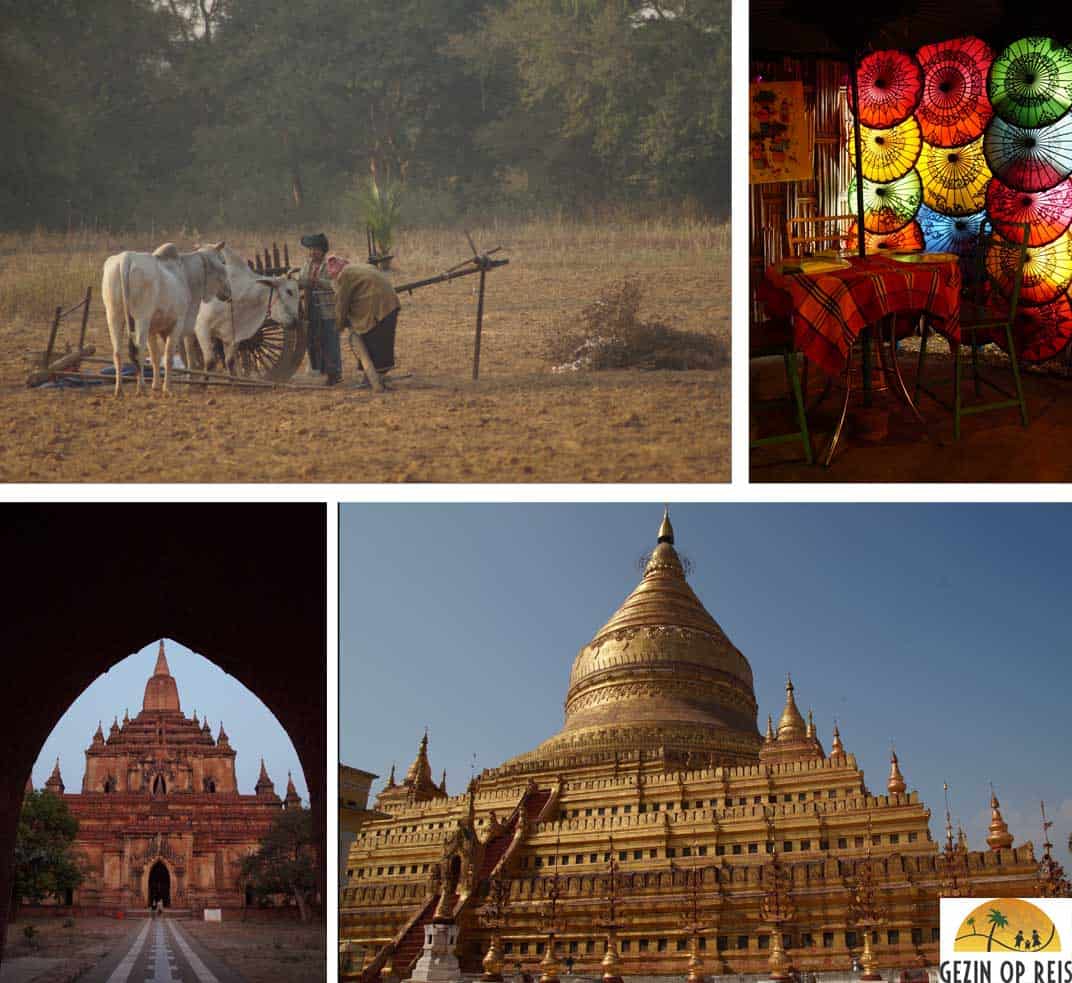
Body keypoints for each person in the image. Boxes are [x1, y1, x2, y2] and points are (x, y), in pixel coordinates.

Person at [327, 255, 401, 380]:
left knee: (374, 339)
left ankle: (375, 377)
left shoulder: (344, 275)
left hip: (377, 306)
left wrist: (339, 324)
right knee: (381, 339)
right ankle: (374, 375)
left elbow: (342, 301)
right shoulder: (359, 267)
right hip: (390, 303)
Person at [297, 232, 343, 385]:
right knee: (314, 339)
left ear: (323, 250)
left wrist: (317, 281)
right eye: (310, 249)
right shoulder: (307, 264)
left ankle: (334, 373)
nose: (312, 252)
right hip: (310, 307)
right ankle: (321, 371)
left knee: (330, 340)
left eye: (315, 249)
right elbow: (301, 280)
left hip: (327, 308)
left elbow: (334, 284)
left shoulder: (331, 263)